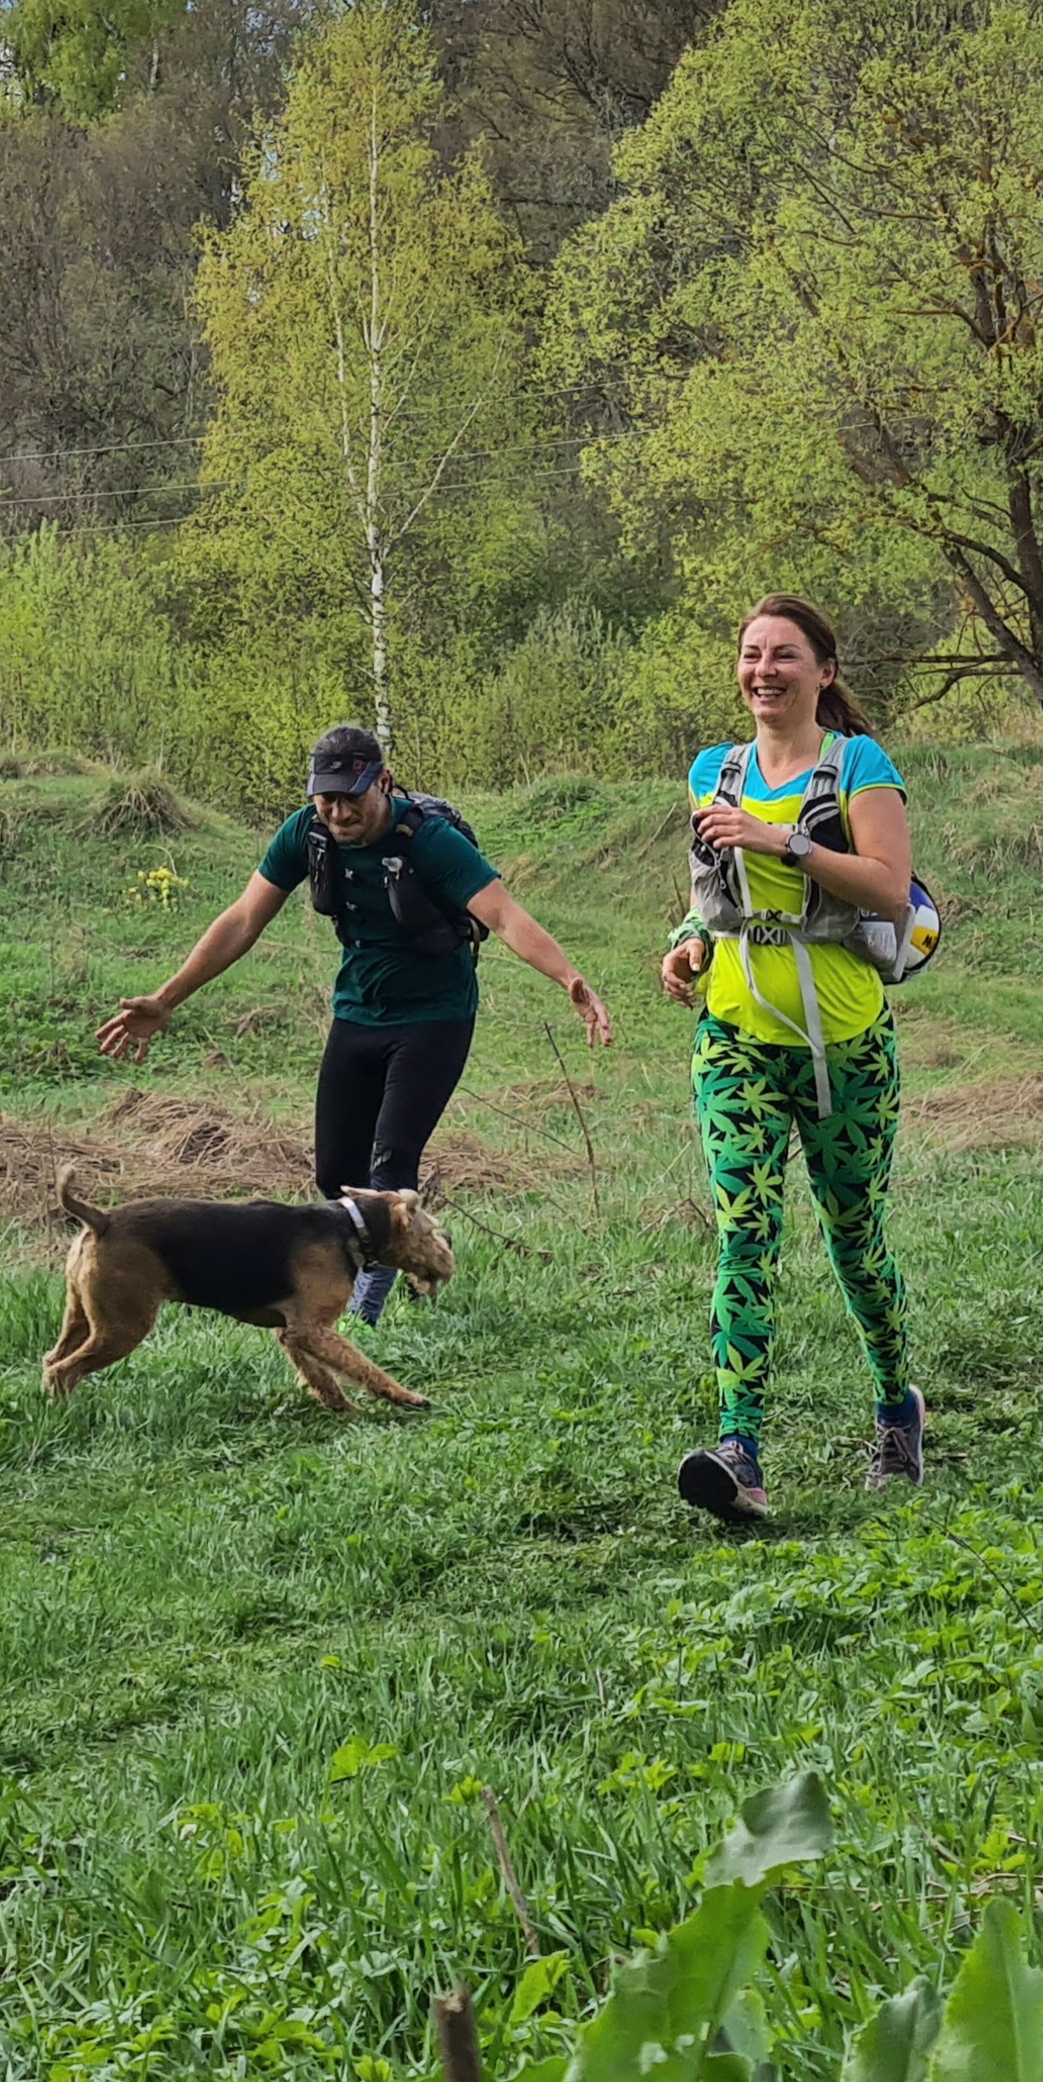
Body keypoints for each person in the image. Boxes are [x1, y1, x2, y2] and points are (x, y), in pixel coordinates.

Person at [98, 724, 612, 1323]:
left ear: (383, 782)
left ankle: (366, 1316)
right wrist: (168, 999)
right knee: (336, 1174)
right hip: (357, 1012)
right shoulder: (307, 833)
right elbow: (243, 919)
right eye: (327, 799)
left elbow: (504, 916)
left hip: (434, 1018)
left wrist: (568, 979)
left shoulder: (430, 841)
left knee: (391, 1164)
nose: (339, 812)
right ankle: (417, 1241)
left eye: (351, 797)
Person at [658, 596, 925, 1525]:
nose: (762, 670)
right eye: (750, 654)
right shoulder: (713, 772)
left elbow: (890, 891)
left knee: (854, 1240)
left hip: (845, 1045)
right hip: (736, 1039)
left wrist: (786, 840)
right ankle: (739, 1452)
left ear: (824, 670)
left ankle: (895, 1408)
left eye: (783, 655)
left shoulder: (859, 766)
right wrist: (689, 943)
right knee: (744, 1232)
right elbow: (714, 896)